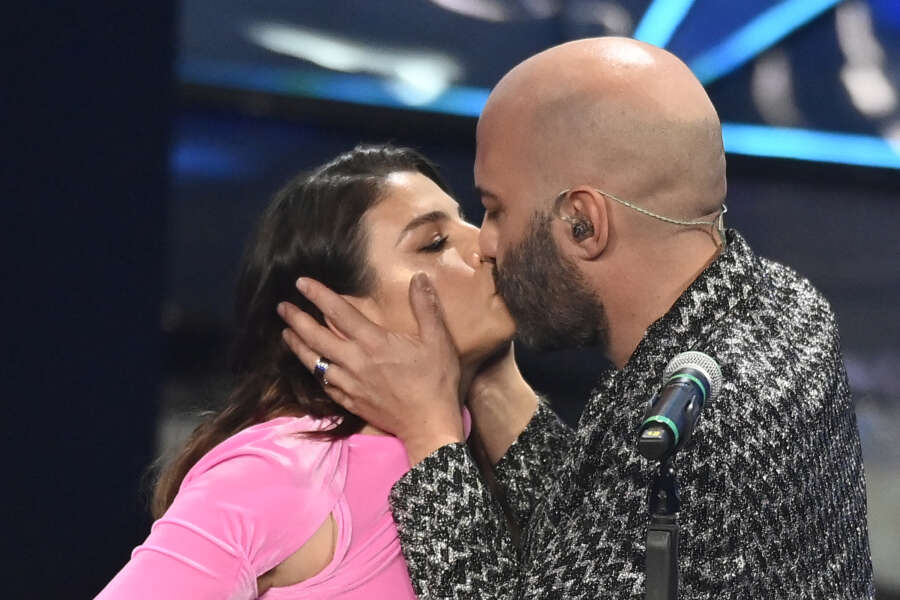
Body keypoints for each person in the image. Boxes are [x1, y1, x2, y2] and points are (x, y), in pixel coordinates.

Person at [278, 38, 875, 598]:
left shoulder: (699, 423)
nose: (484, 245)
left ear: (583, 223)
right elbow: (593, 543)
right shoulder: (783, 306)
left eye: (494, 210)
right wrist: (489, 381)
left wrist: (428, 430)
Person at [96, 145, 538, 599]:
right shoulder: (282, 470)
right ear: (340, 319)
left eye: (465, 219)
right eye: (434, 243)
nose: (485, 244)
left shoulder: (491, 461)